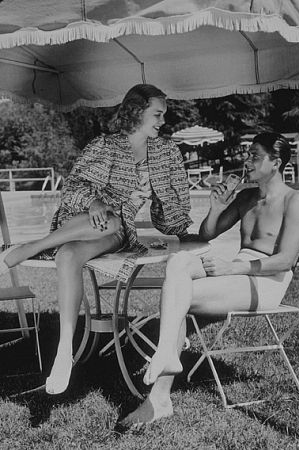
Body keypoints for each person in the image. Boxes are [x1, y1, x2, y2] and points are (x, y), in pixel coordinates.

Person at [0, 84, 192, 395]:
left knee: (113, 218)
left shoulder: (166, 153)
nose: (162, 121)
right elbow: (74, 186)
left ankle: (26, 250)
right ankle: (64, 351)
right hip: (81, 225)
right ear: (136, 112)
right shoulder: (104, 145)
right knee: (67, 255)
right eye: (157, 114)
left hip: (119, 230)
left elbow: (171, 214)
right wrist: (93, 203)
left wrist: (167, 207)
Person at [119, 132, 299, 428]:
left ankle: (159, 396)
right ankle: (167, 357)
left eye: (255, 156)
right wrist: (217, 207)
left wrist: (231, 268)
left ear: (276, 162)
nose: (247, 160)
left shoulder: (296, 201)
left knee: (179, 294)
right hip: (237, 271)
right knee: (179, 262)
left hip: (267, 280)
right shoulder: (247, 197)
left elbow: (286, 260)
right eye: (248, 154)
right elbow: (207, 234)